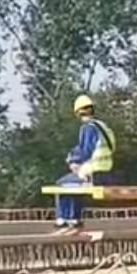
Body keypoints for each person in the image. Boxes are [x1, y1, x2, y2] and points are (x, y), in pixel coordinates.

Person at [55, 94, 117, 229]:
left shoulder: (88, 128)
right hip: (107, 172)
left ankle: (65, 219)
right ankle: (74, 219)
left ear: (78, 113)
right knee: (74, 186)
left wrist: (74, 162)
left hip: (93, 173)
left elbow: (86, 150)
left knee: (61, 185)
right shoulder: (103, 126)